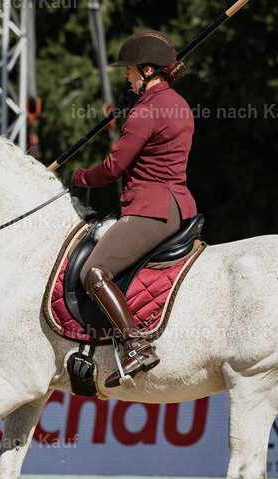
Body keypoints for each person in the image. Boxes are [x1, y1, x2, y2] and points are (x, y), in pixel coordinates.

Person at [72, 30, 199, 388]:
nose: (125, 75)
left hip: (150, 207)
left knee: (94, 272)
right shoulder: (177, 103)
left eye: (129, 70)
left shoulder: (148, 109)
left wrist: (81, 177)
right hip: (178, 205)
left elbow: (115, 166)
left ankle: (135, 344)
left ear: (146, 70)